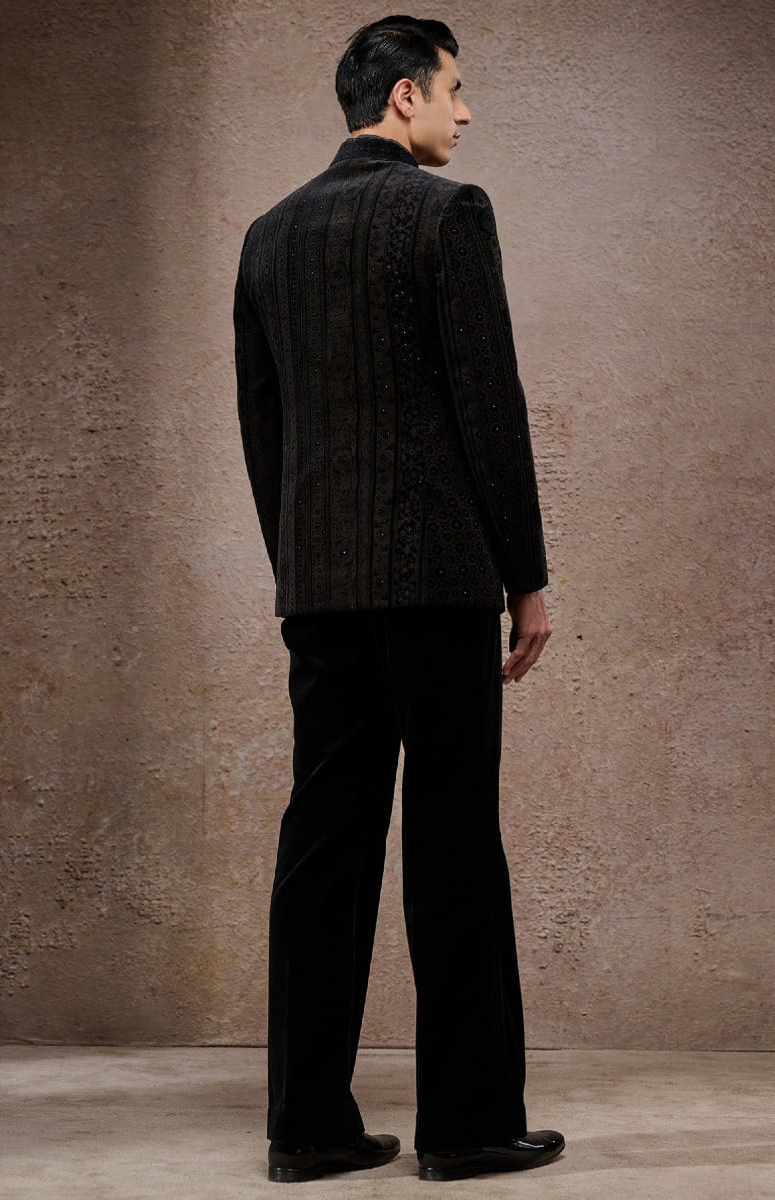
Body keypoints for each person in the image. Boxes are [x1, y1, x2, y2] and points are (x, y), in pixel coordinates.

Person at [233, 14, 565, 1184]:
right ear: (404, 96)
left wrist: (301, 565)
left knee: (321, 848)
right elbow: (488, 406)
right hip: (435, 582)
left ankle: (307, 1128)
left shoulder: (268, 235)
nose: (464, 112)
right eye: (453, 89)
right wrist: (525, 576)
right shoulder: (446, 213)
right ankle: (465, 1127)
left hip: (320, 589)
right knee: (452, 841)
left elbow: (263, 428)